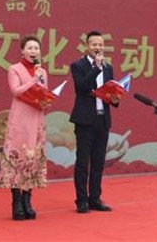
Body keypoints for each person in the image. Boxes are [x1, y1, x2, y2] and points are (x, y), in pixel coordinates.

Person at [0, 35, 50, 220]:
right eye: (30, 48)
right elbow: (16, 91)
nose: (33, 51)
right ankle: (16, 202)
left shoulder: (42, 71)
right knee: (18, 157)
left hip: (36, 118)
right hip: (20, 119)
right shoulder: (15, 69)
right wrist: (33, 80)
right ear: (22, 51)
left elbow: (43, 93)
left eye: (36, 48)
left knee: (32, 159)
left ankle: (28, 200)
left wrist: (47, 99)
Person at [70, 30, 120, 213]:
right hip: (85, 121)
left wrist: (115, 99)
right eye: (94, 44)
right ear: (87, 46)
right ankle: (81, 200)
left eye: (100, 44)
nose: (97, 48)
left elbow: (110, 90)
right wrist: (96, 68)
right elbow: (81, 87)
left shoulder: (108, 67)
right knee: (83, 162)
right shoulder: (78, 65)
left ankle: (95, 198)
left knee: (98, 162)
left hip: (102, 119)